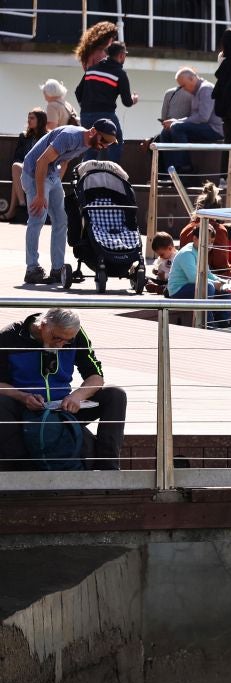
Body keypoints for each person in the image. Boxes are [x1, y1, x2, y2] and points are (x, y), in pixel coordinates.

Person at [0, 308, 127, 471]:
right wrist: (23, 397)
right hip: (25, 407)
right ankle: (18, 469)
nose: (60, 344)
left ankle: (108, 468)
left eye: (67, 341)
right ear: (43, 325)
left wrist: (77, 396)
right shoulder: (9, 337)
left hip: (65, 407)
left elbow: (96, 376)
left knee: (115, 394)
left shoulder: (75, 334)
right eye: (56, 338)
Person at [21, 120, 118, 285]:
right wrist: (40, 194)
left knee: (61, 220)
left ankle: (57, 269)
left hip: (51, 175)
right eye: (104, 140)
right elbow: (41, 161)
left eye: (109, 143)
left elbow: (64, 159)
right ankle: (32, 269)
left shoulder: (89, 143)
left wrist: (56, 182)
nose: (105, 145)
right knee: (37, 220)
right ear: (93, 131)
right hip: (34, 173)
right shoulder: (70, 137)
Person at [74, 40, 138, 162]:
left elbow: (78, 92)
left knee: (90, 145)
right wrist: (134, 99)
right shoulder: (120, 74)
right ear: (121, 55)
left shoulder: (92, 69)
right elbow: (127, 102)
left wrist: (86, 107)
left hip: (86, 114)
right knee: (115, 142)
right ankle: (112, 174)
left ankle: (84, 176)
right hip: (106, 115)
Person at [154, 68, 224, 174]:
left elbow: (203, 117)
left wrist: (177, 122)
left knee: (177, 127)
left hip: (213, 129)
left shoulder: (206, 89)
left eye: (183, 86)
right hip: (202, 127)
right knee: (166, 132)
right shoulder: (196, 92)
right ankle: (170, 171)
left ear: (192, 78)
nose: (183, 89)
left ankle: (185, 167)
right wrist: (175, 121)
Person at [6, 109, 46, 224]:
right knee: (16, 167)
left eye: (32, 118)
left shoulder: (47, 136)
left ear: (40, 120)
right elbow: (17, 157)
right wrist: (25, 164)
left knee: (17, 179)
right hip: (25, 167)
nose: (29, 120)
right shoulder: (24, 136)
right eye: (28, 118)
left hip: (41, 167)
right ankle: (23, 204)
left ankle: (12, 211)